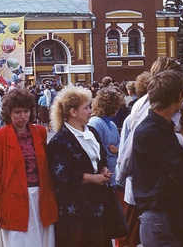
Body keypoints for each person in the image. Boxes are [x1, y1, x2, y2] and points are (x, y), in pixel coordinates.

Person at [131, 70, 183, 245]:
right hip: (160, 217)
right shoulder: (152, 132)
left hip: (164, 216)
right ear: (179, 97)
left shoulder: (158, 128)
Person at [0, 88, 58, 247]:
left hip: (41, 196)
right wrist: (0, 199)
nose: (22, 116)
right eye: (17, 112)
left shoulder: (40, 132)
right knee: (19, 241)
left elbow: (46, 166)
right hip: (14, 199)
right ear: (8, 113)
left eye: (26, 111)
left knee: (42, 239)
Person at [46, 85, 112, 247]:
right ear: (73, 112)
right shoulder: (60, 141)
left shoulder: (92, 132)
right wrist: (93, 178)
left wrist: (103, 169)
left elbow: (101, 157)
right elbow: (62, 175)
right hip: (74, 211)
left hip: (96, 205)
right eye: (86, 108)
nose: (91, 111)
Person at [88, 86, 124, 186]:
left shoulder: (112, 124)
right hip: (102, 173)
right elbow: (93, 148)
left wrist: (117, 149)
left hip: (112, 172)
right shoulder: (96, 122)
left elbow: (118, 143)